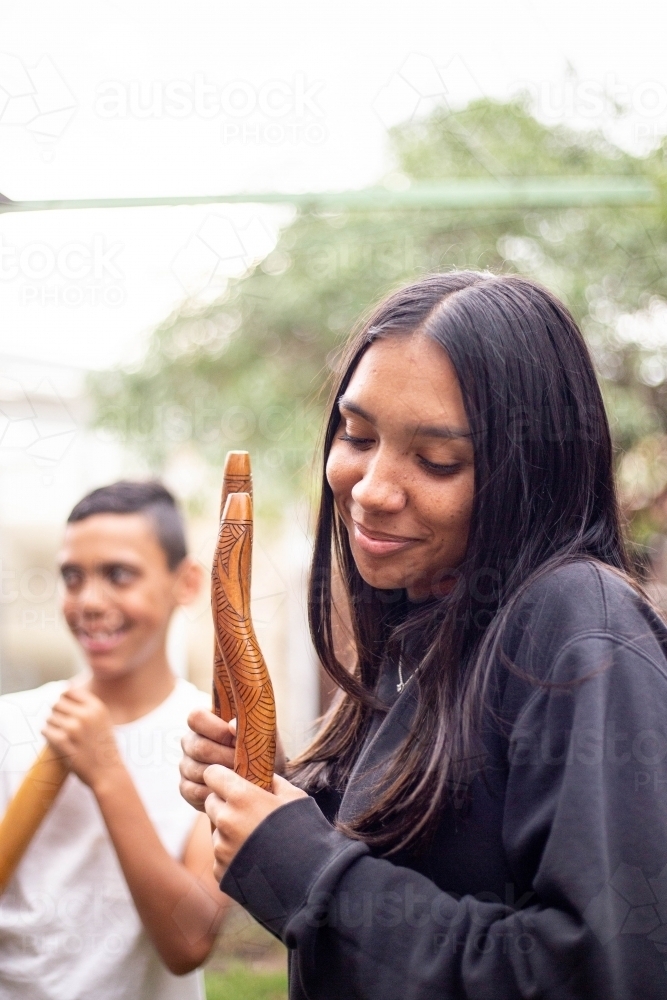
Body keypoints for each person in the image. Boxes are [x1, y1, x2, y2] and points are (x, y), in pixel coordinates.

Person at [180, 271, 667, 998]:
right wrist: (279, 799)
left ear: (526, 471)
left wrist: (308, 872)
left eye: (436, 460)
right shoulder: (429, 618)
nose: (372, 487)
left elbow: (604, 973)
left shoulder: (577, 629)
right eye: (356, 435)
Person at [0, 481, 227, 1000]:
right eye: (72, 578)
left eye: (118, 575)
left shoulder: (212, 741)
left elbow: (188, 941)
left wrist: (105, 770)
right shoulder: (12, 724)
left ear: (186, 583)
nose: (89, 602)